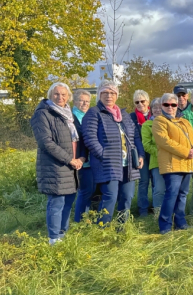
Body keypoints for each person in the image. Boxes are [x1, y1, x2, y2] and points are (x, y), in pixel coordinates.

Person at [82, 80, 144, 225]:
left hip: (128, 163)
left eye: (112, 93)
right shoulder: (94, 113)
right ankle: (103, 229)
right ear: (99, 95)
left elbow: (135, 137)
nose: (109, 96)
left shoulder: (124, 115)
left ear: (116, 95)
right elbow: (90, 138)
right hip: (108, 164)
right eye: (105, 92)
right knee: (110, 196)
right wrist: (103, 155)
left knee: (127, 196)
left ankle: (122, 228)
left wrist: (140, 155)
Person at [31, 83, 84, 245]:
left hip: (72, 166)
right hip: (55, 165)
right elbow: (46, 142)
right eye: (56, 94)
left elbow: (80, 138)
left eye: (63, 94)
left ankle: (62, 233)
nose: (60, 97)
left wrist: (81, 157)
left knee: (68, 200)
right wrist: (69, 159)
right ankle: (54, 238)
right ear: (50, 95)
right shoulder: (43, 114)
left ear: (68, 97)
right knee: (57, 202)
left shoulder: (69, 115)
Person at [152, 93, 193, 234]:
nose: (170, 107)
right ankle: (165, 225)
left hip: (186, 164)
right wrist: (187, 152)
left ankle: (180, 222)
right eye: (166, 104)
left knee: (182, 194)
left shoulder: (184, 122)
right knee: (171, 194)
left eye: (173, 104)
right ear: (162, 106)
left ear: (177, 106)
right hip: (172, 165)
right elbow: (165, 142)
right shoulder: (159, 121)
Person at [72, 89, 95, 222]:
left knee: (91, 191)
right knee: (85, 191)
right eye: (81, 100)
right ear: (75, 102)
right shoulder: (73, 117)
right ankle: (79, 221)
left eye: (87, 101)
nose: (85, 103)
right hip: (81, 160)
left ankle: (87, 218)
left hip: (91, 160)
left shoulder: (89, 115)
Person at [141, 98, 166, 217]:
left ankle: (171, 213)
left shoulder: (170, 122)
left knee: (171, 189)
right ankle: (158, 215)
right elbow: (146, 145)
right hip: (156, 162)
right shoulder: (147, 125)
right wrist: (162, 153)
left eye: (160, 107)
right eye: (155, 107)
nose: (157, 110)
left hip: (172, 162)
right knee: (159, 189)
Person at [129, 90, 151, 217]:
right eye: (137, 102)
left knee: (155, 180)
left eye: (142, 101)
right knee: (143, 181)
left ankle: (155, 206)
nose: (140, 104)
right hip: (140, 153)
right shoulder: (132, 117)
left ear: (147, 101)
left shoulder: (154, 114)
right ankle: (143, 209)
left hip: (153, 152)